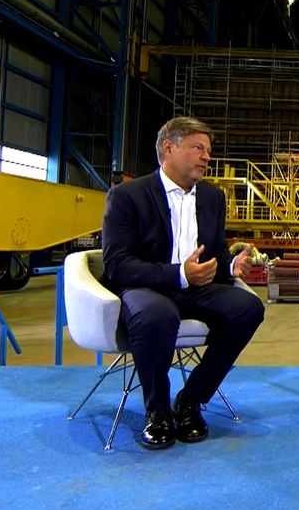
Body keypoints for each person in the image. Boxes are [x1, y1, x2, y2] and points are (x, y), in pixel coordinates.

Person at [101, 116, 265, 450]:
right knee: (157, 315)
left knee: (248, 307)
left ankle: (190, 399)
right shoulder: (127, 196)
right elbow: (117, 264)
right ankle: (157, 410)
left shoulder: (212, 198)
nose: (207, 156)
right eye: (197, 148)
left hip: (196, 290)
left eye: (208, 150)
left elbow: (214, 253)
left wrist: (231, 265)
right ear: (168, 148)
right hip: (148, 289)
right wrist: (179, 274)